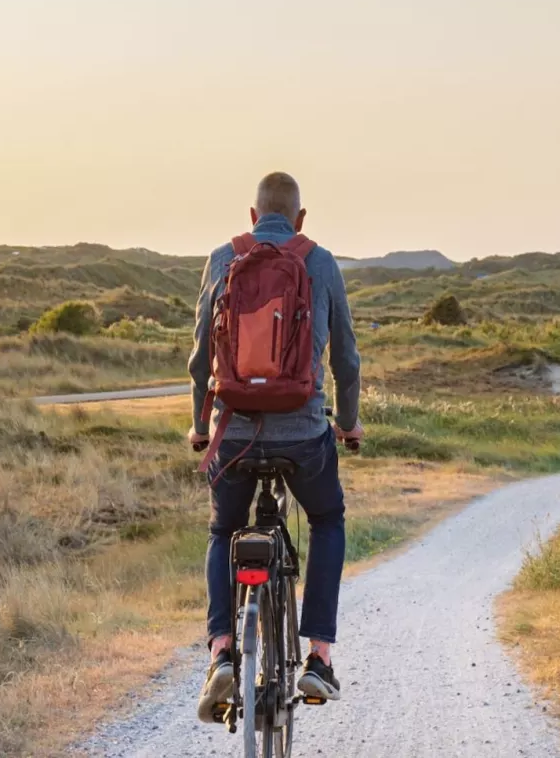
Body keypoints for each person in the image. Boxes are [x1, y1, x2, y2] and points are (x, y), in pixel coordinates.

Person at [189, 172, 363, 721]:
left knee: (223, 529)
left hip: (235, 432)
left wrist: (201, 426)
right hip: (304, 432)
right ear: (300, 219)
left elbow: (200, 361)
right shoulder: (321, 261)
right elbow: (347, 361)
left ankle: (221, 651)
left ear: (252, 216)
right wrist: (349, 425)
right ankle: (318, 655)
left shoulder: (222, 258)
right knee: (328, 518)